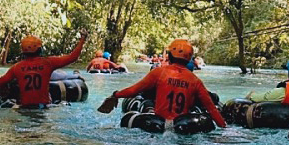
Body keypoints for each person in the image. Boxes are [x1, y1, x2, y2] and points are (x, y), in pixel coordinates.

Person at [97, 39, 226, 128]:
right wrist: (224, 128)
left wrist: (115, 95)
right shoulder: (195, 80)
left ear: (169, 56)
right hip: (183, 125)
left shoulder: (159, 72)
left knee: (127, 119)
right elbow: (211, 109)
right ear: (189, 60)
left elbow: (133, 91)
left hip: (158, 123)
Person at [0, 30, 87, 108]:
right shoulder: (48, 62)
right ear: (39, 49)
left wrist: (5, 90)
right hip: (43, 107)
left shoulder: (16, 67)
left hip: (24, 108)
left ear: (23, 51)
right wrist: (82, 39)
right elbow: (73, 57)